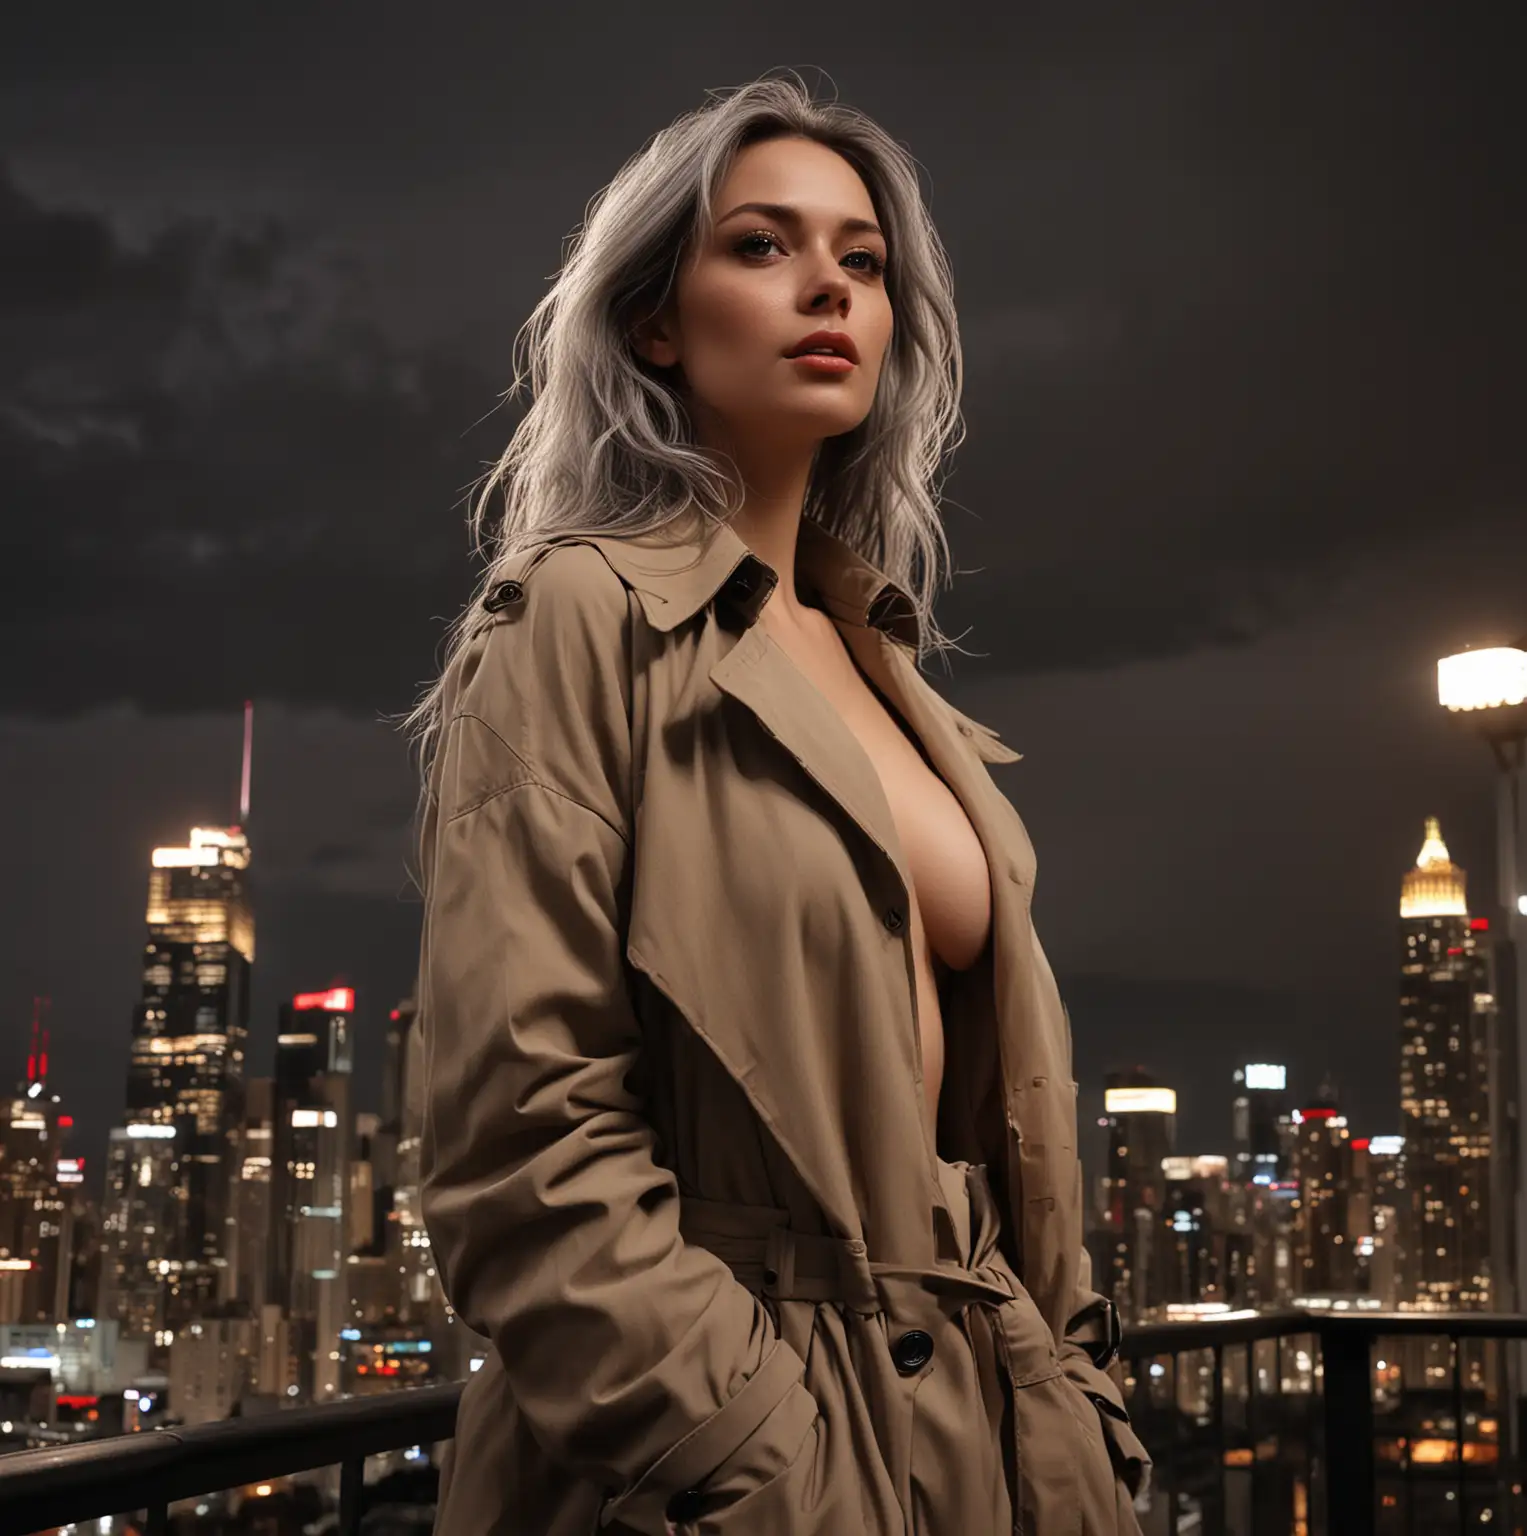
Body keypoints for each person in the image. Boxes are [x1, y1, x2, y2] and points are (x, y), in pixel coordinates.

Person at [407, 69, 1151, 1535]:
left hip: (993, 1454)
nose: (828, 285)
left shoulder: (885, 666)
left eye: (862, 262)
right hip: (737, 1464)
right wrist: (764, 1471)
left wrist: (1083, 1416)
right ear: (655, 323)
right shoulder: (574, 613)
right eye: (762, 245)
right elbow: (524, 1144)